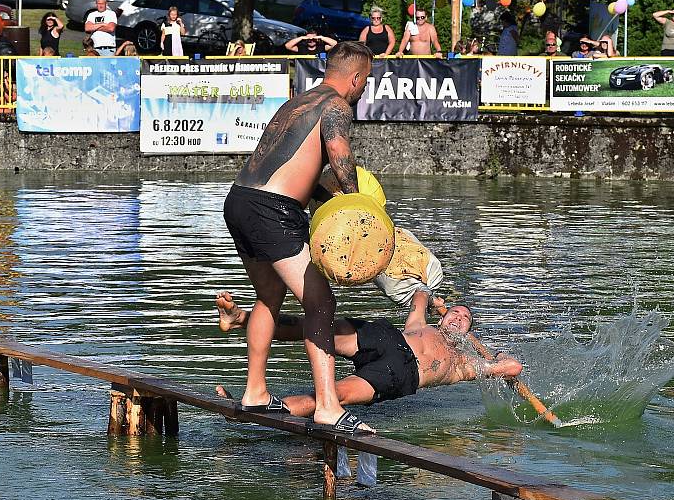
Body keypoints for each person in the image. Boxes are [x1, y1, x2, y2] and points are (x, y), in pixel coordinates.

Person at [222, 41, 374, 435]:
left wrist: (326, 198)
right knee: (321, 301)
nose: (363, 90)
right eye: (365, 81)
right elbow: (339, 153)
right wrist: (358, 207)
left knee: (269, 295)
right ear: (354, 77)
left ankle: (255, 391)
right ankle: (327, 406)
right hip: (272, 210)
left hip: (240, 201)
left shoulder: (297, 102)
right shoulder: (335, 106)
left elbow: (297, 174)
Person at [214, 290, 523, 416]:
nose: (457, 316)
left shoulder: (465, 362)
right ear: (442, 316)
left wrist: (496, 360)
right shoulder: (419, 324)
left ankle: (253, 411)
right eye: (453, 312)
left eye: (464, 318)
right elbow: (419, 295)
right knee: (317, 327)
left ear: (469, 331)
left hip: (403, 373)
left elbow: (512, 367)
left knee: (332, 395)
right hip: (386, 337)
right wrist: (432, 299)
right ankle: (242, 319)